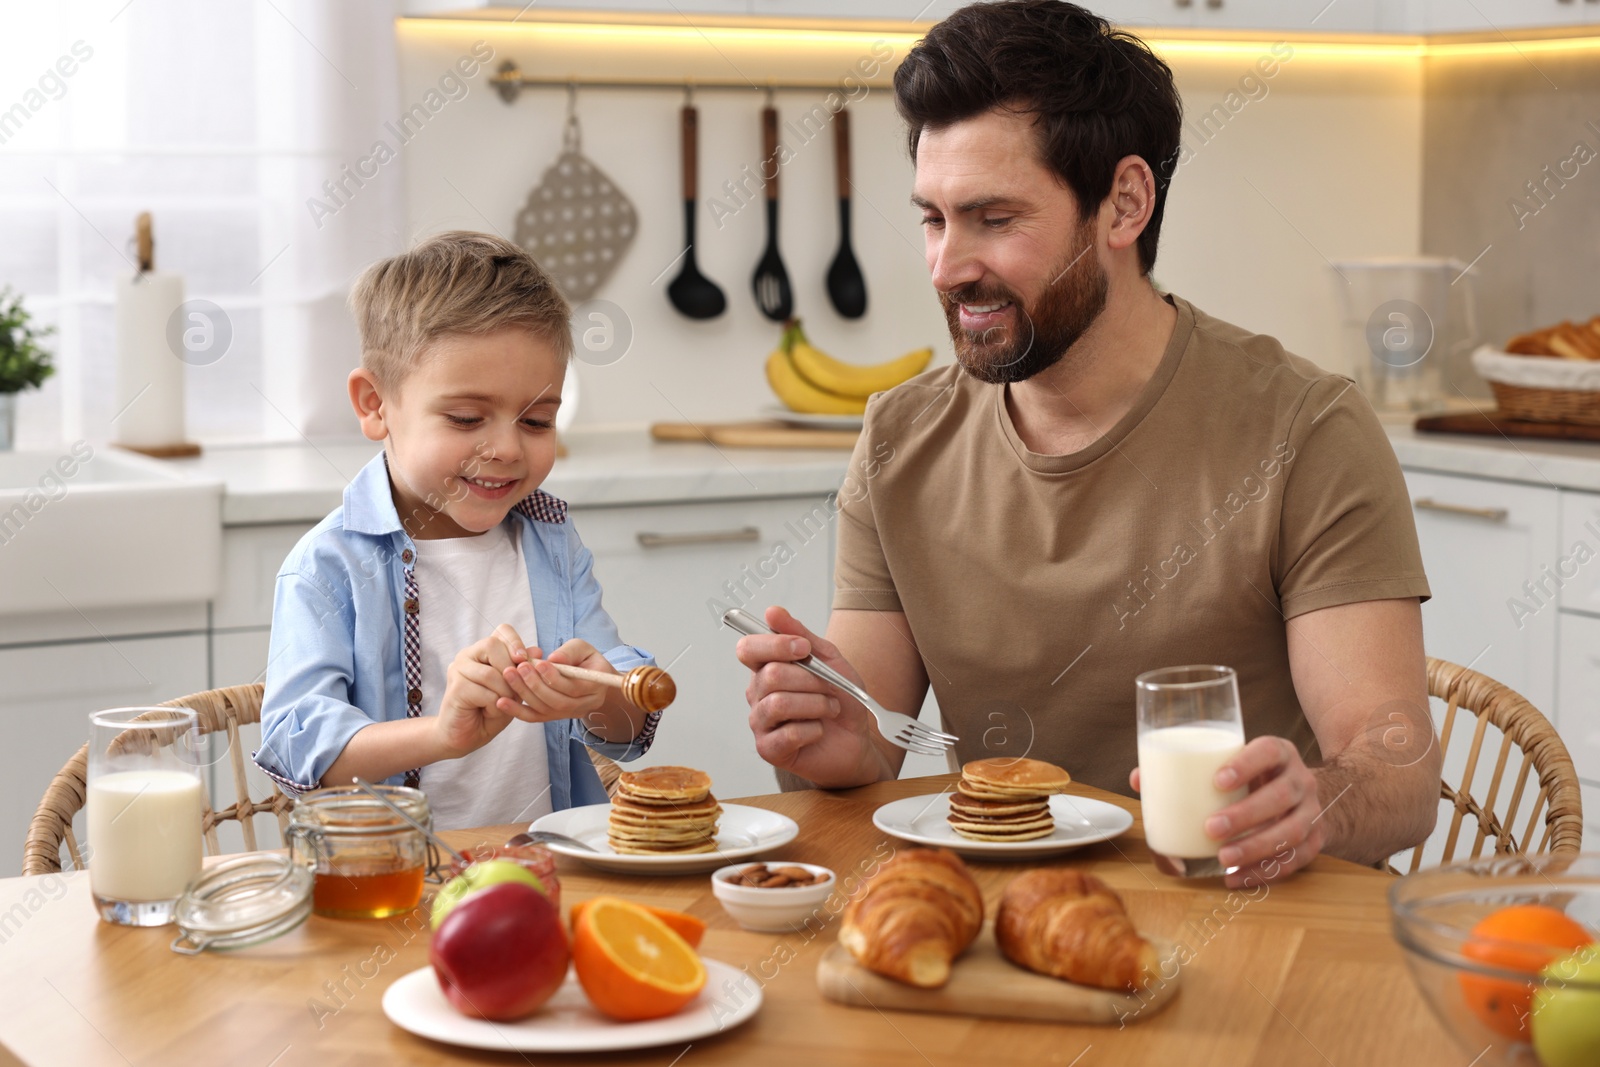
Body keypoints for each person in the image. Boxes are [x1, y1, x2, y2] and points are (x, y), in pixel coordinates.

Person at [735, 0, 1440, 887]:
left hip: (1247, 920)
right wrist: (828, 742)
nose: (947, 266)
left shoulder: (1304, 429)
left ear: (1125, 203)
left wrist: (1316, 803)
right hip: (1004, 922)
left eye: (994, 219)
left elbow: (1399, 778)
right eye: (932, 218)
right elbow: (863, 745)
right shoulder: (899, 438)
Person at [254, 231, 658, 830]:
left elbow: (624, 726)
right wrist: (442, 734)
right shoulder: (329, 564)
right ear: (375, 405)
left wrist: (606, 693)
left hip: (547, 872)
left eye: (538, 420)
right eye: (467, 418)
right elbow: (298, 748)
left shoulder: (551, 540)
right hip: (393, 893)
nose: (504, 448)